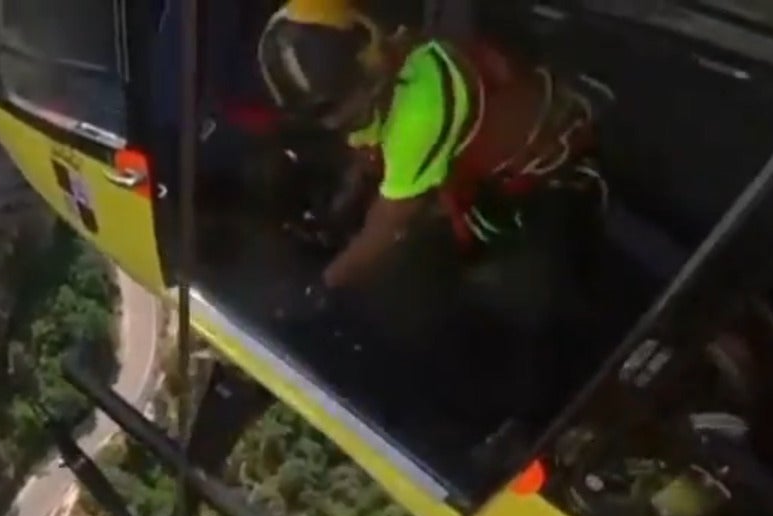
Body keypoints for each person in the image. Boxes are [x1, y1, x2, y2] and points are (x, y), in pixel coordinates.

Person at [256, 0, 605, 309]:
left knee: (501, 300)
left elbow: (388, 224)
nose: (334, 121)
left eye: (338, 107)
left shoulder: (422, 109)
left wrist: (322, 285)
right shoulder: (392, 63)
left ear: (367, 55)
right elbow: (369, 148)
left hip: (556, 186)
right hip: (484, 178)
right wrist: (337, 210)